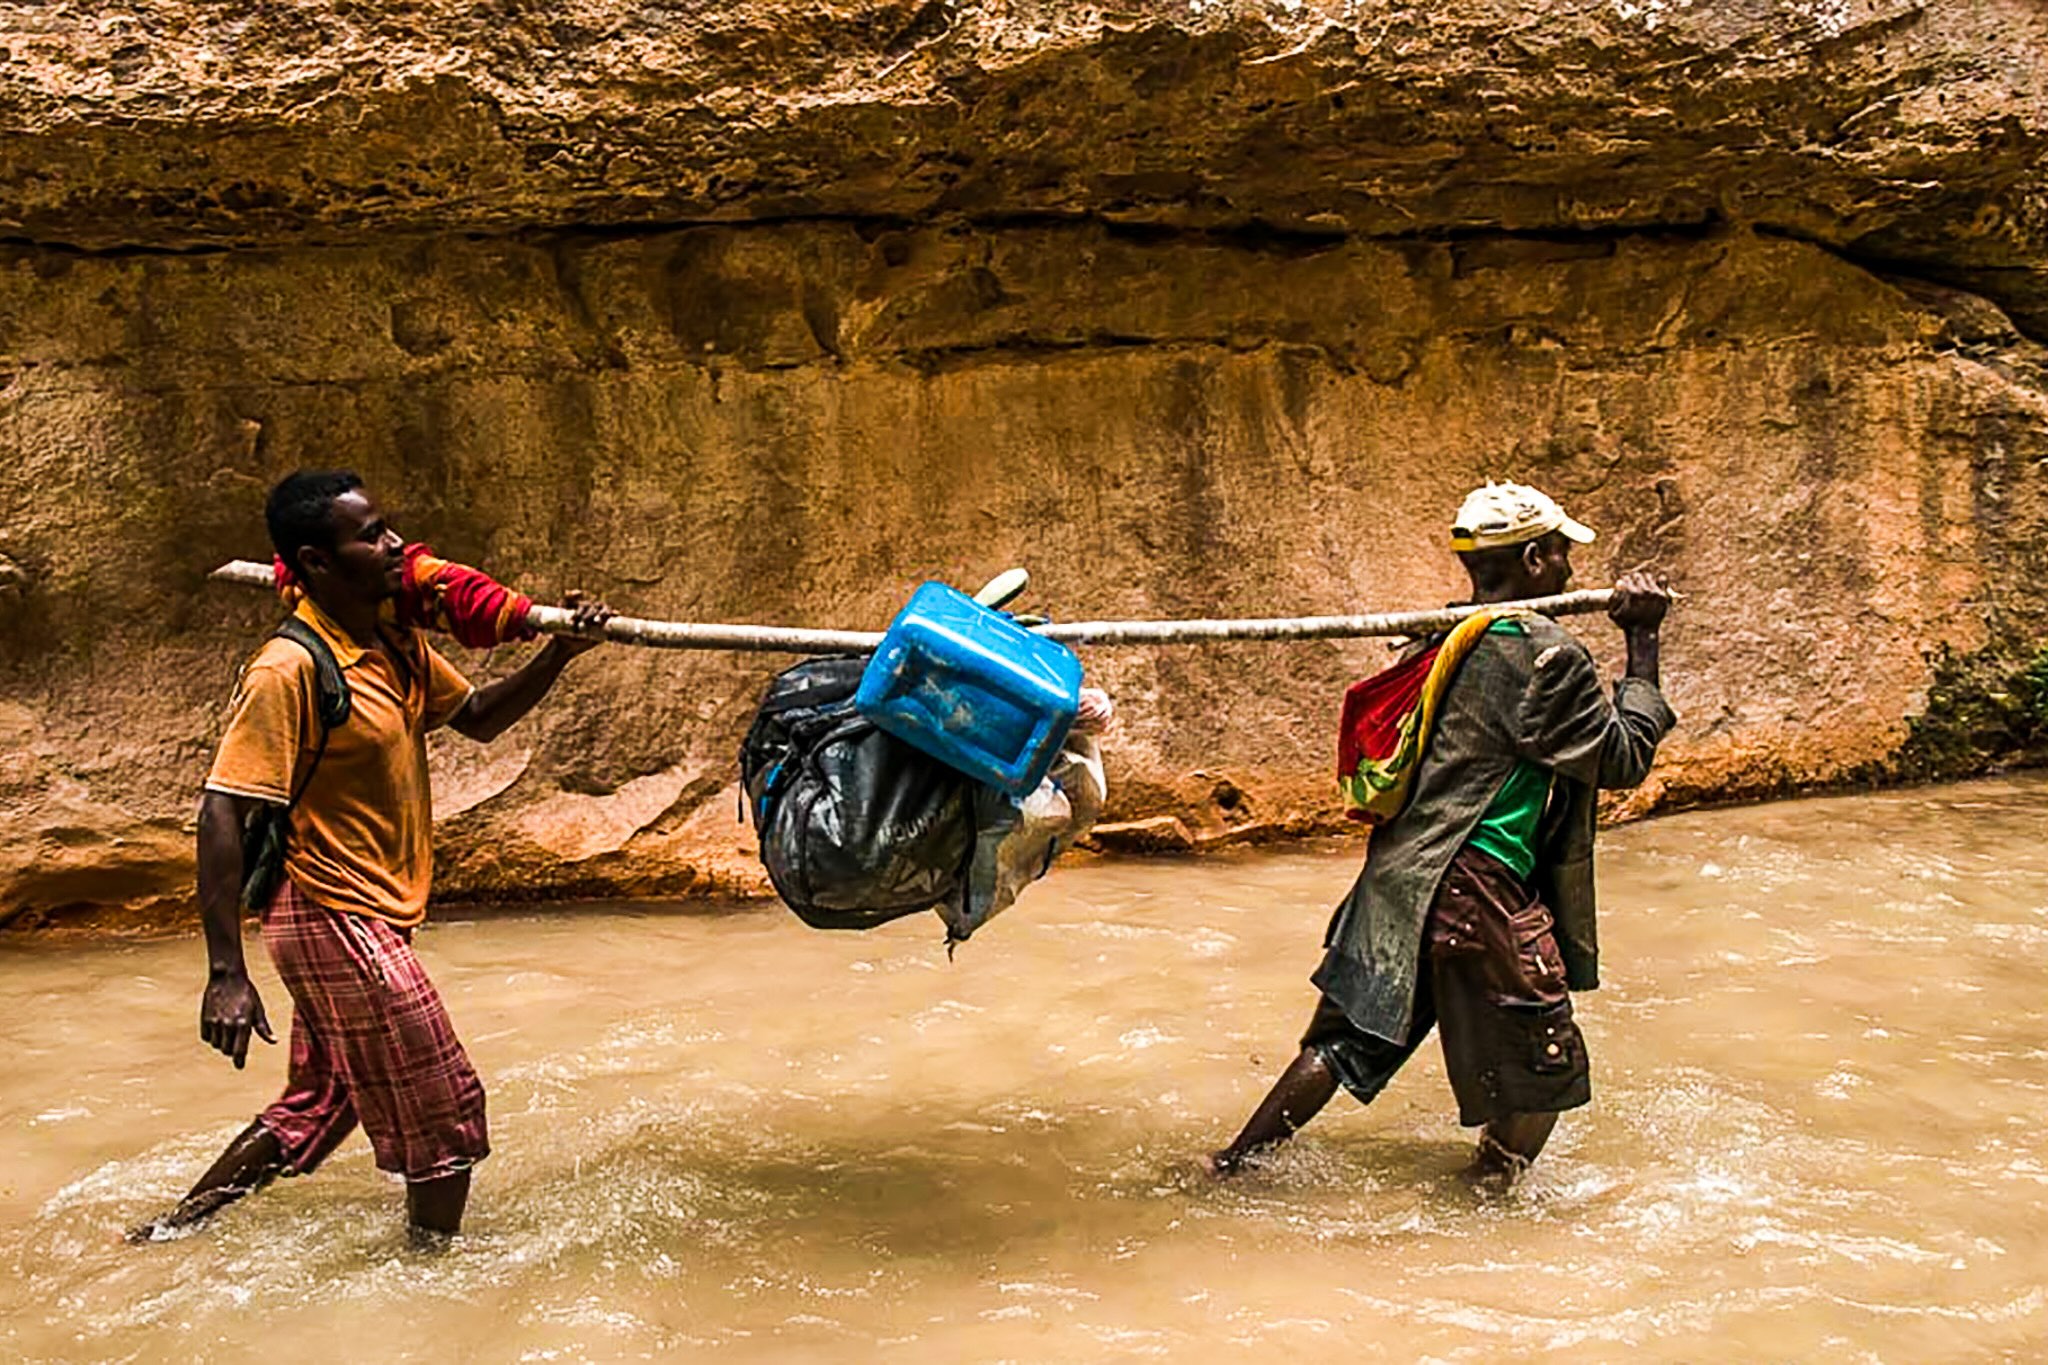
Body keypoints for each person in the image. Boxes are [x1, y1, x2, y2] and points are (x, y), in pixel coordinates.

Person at [132, 470, 612, 1245]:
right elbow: (223, 809)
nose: (395, 548)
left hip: (371, 910)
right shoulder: (287, 669)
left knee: (319, 1103)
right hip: (329, 911)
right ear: (317, 562)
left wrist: (560, 652)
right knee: (445, 1107)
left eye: (389, 529)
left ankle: (167, 1232)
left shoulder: (393, 642)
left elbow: (480, 717)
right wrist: (225, 972)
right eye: (371, 535)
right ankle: (431, 1281)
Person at [1209, 482, 1676, 1185]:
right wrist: (1642, 643)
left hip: (1401, 881)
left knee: (1340, 1044)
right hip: (1477, 888)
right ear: (1536, 557)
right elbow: (1621, 758)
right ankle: (1482, 1203)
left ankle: (1228, 1167)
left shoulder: (1445, 633)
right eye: (1562, 553)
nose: (1574, 569)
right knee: (1546, 1070)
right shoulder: (1545, 654)